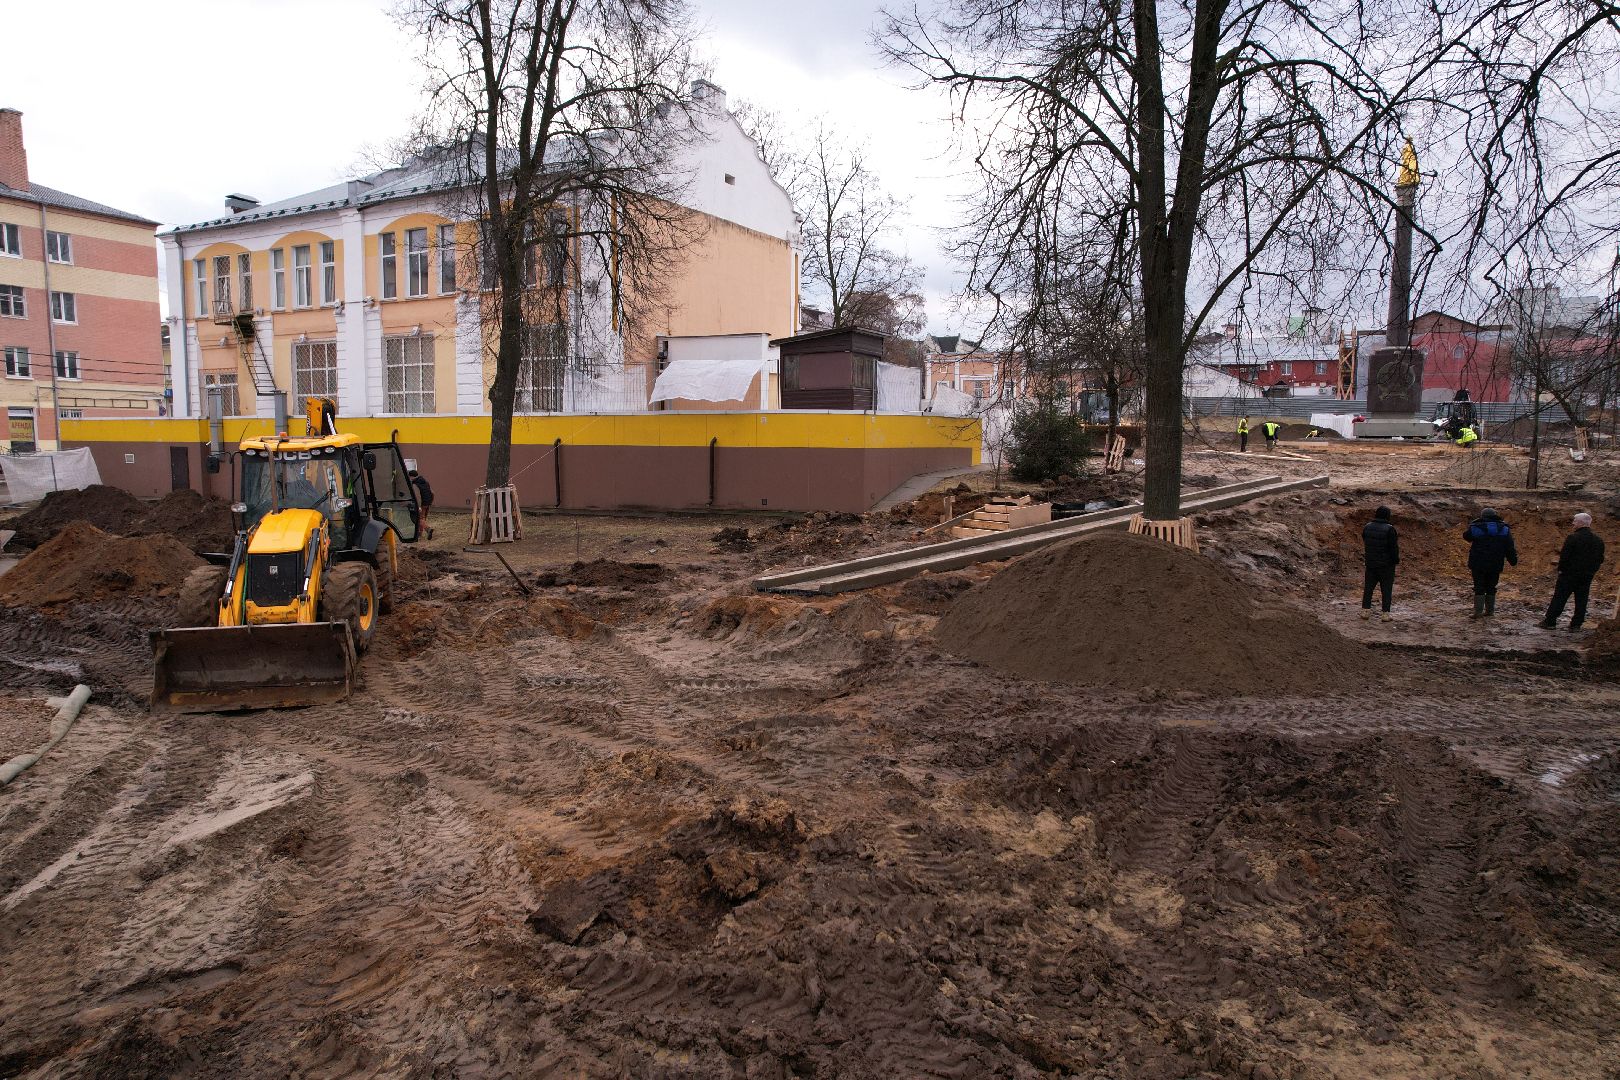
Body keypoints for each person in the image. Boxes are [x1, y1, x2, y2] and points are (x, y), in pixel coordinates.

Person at [1538, 512, 1606, 631]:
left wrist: (1561, 570)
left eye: (1574, 521)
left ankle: (1550, 621)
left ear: (1580, 523)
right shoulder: (1598, 540)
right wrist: (1592, 571)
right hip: (1586, 576)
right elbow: (1600, 559)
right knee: (1582, 600)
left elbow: (1565, 557)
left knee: (1560, 597)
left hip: (1569, 575)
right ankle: (1576, 624)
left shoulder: (1573, 538)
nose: (1573, 523)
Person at [1463, 507, 1518, 619]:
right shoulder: (1504, 529)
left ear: (1483, 516)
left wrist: (1474, 523)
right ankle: (1490, 612)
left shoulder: (1476, 528)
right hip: (1496, 564)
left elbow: (1466, 536)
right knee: (1491, 587)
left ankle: (1478, 613)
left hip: (1478, 563)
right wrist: (1513, 561)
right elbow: (1510, 547)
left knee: (1479, 587)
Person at [1361, 505, 1399, 620]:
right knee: (1386, 590)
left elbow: (1365, 541)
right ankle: (1385, 614)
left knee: (1368, 589)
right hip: (1386, 566)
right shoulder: (1390, 529)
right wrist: (1395, 560)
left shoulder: (1367, 527)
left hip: (1371, 564)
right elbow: (1394, 548)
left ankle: (1365, 612)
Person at [408, 468, 435, 540]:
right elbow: (432, 492)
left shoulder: (415, 484)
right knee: (423, 518)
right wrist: (430, 502)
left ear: (411, 476)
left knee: (419, 519)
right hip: (427, 503)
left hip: (421, 504)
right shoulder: (426, 482)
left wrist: (418, 506)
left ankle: (428, 529)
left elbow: (417, 496)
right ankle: (420, 533)